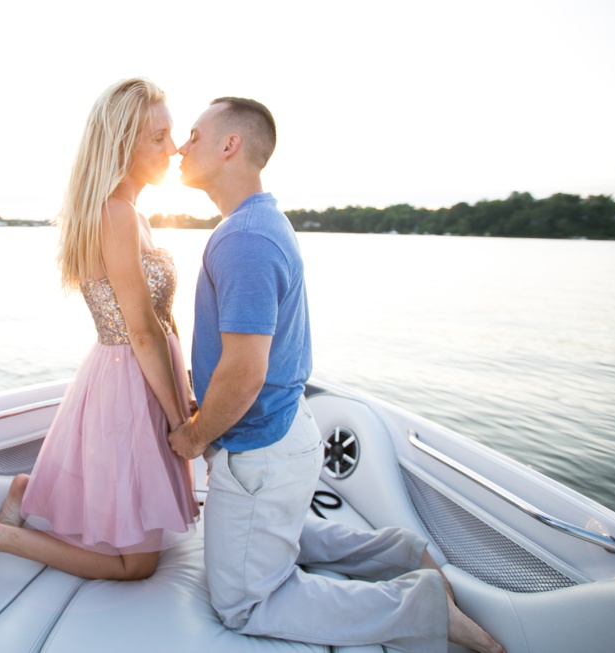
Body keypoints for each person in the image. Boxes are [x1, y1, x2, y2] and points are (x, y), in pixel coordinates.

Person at [169, 97, 504, 653]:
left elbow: (246, 372)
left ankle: (422, 608)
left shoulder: (244, 239)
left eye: (195, 134)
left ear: (231, 146)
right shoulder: (259, 221)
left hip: (261, 449)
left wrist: (194, 436)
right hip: (285, 435)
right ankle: (397, 551)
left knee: (243, 602)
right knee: (278, 534)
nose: (182, 146)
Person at [0, 78, 199, 580]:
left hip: (143, 373)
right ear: (122, 142)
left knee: (132, 516)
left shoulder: (130, 212)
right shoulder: (115, 214)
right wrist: (181, 422)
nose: (173, 149)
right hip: (132, 377)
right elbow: (143, 331)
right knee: (136, 567)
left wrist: (185, 388)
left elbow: (162, 316)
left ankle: (25, 492)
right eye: (159, 137)